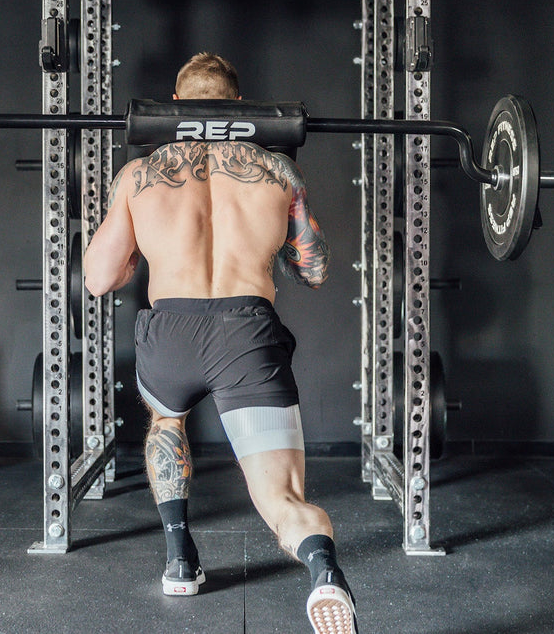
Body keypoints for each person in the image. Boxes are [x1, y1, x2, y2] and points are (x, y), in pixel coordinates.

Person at [83, 53, 357, 634]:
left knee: (165, 424)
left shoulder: (139, 175)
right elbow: (314, 271)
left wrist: (138, 247)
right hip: (247, 334)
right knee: (282, 498)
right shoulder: (279, 172)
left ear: (174, 109)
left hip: (171, 334)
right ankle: (324, 572)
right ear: (240, 109)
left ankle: (180, 557)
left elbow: (99, 279)